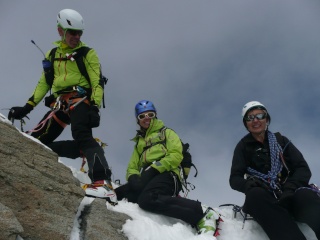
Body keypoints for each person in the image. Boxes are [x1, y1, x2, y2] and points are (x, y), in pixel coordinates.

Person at [8, 9, 117, 204]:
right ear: (60, 31)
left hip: (81, 100)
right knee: (37, 143)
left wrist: (94, 106)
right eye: (72, 32)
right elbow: (45, 82)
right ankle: (85, 149)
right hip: (61, 103)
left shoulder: (87, 53)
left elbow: (96, 82)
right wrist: (27, 107)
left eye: (79, 33)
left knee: (82, 135)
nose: (77, 36)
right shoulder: (52, 54)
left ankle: (103, 183)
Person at [114, 100, 220, 236]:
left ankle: (202, 213)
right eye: (142, 116)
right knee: (122, 194)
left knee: (147, 199)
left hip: (170, 173)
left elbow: (176, 154)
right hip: (148, 176)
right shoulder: (139, 144)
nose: (146, 118)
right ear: (137, 120)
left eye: (150, 114)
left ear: (155, 115)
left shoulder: (167, 133)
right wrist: (133, 177)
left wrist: (154, 168)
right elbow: (132, 166)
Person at [230, 101, 320, 240]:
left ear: (267, 118)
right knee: (255, 195)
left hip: (289, 193)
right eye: (250, 118)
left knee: (306, 197)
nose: (255, 120)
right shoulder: (243, 147)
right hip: (265, 198)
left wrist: (290, 188)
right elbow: (235, 179)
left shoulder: (281, 141)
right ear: (246, 123)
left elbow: (302, 168)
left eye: (259, 115)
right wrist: (249, 184)